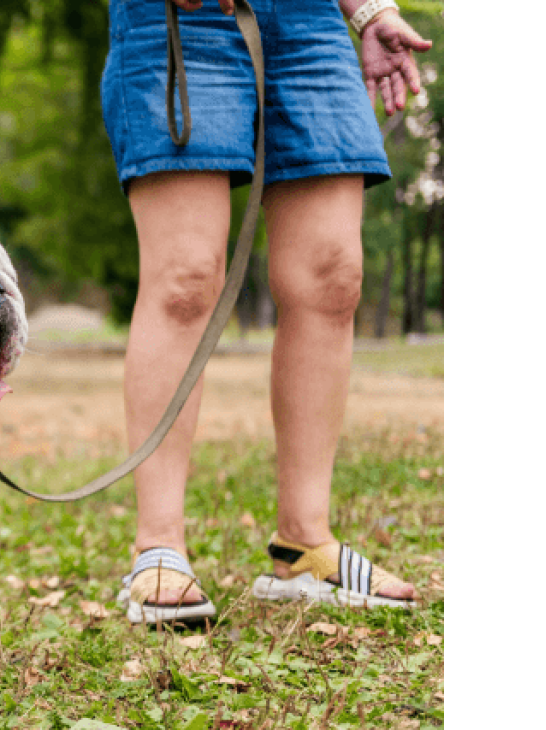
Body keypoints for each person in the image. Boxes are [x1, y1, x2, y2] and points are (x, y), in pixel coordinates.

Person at [101, 0, 433, 623]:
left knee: (333, 276)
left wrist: (367, 13)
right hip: (182, 20)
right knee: (186, 279)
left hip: (310, 27)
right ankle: (159, 546)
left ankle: (304, 545)